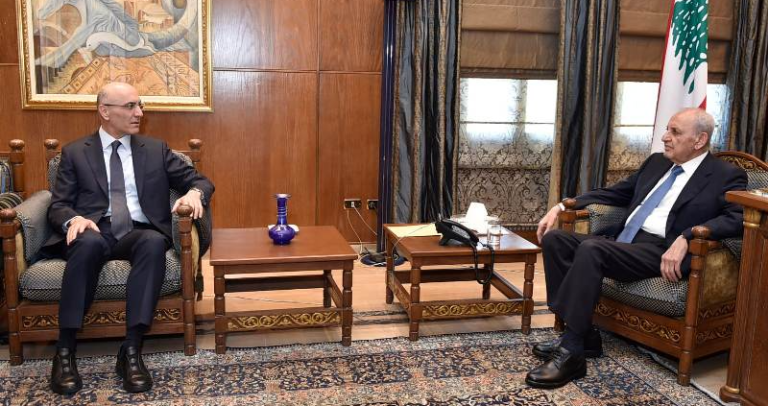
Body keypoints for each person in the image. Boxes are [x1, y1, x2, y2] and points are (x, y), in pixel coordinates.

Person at [526, 108, 747, 389]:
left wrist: (687, 235)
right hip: (624, 242)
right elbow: (615, 192)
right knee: (556, 240)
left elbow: (738, 218)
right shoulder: (657, 162)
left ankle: (572, 351)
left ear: (699, 140)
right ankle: (586, 335)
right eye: (667, 129)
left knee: (592, 249)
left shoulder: (726, 175)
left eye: (675, 132)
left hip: (660, 250)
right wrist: (560, 206)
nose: (665, 137)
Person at [46, 82, 214, 395]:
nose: (139, 113)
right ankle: (65, 351)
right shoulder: (75, 153)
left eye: (140, 105)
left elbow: (200, 180)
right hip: (95, 229)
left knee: (153, 242)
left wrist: (194, 193)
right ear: (105, 111)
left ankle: (132, 350)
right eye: (130, 106)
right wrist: (75, 219)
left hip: (137, 231)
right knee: (87, 242)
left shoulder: (155, 150)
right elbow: (58, 205)